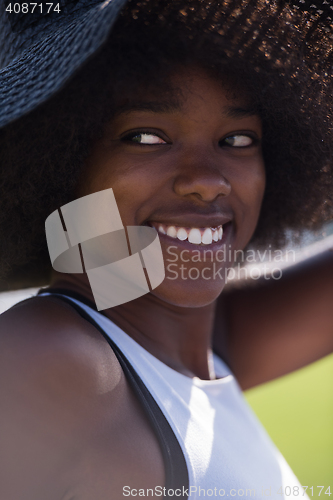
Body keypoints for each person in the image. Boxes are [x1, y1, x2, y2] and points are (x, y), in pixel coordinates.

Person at [0, 0, 332, 499]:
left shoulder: (202, 348)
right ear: (62, 164)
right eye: (147, 137)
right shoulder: (47, 359)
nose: (206, 182)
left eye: (237, 139)